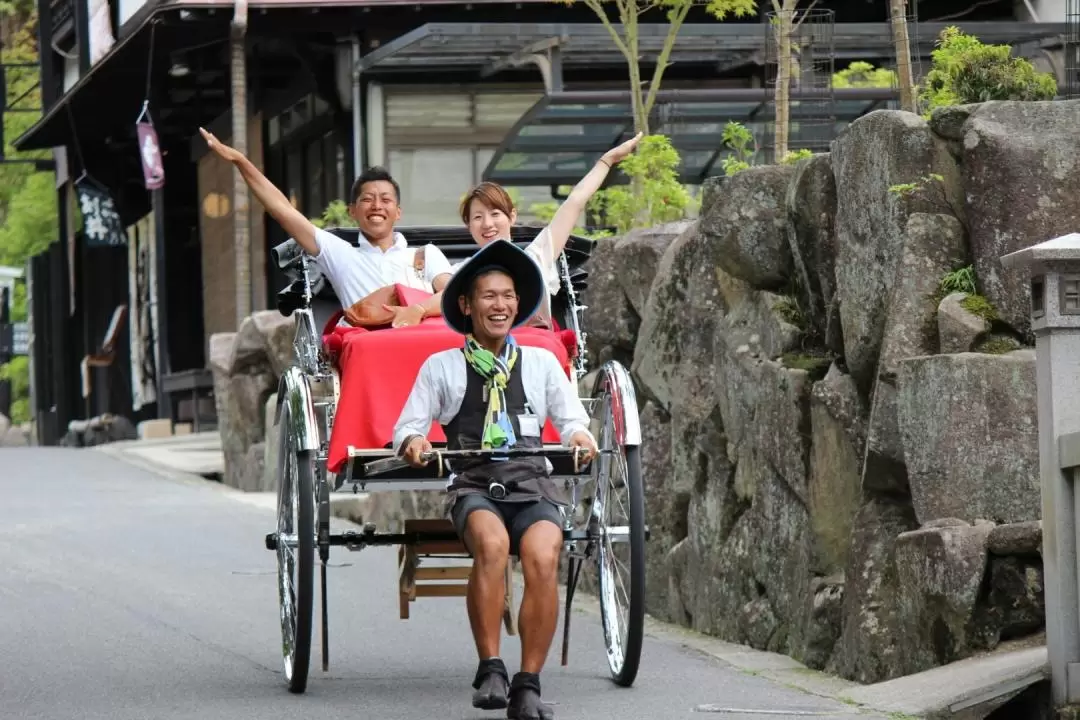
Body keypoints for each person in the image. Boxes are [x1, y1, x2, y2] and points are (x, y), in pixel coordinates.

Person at [392, 239, 598, 720]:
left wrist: (582, 437)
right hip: (474, 486)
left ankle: (528, 683)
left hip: (532, 483)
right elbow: (407, 427)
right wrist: (415, 444)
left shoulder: (543, 363)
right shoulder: (441, 367)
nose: (500, 305)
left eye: (507, 296)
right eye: (489, 296)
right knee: (490, 544)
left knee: (544, 555)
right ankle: (490, 668)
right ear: (466, 305)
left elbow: (571, 421)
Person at [384, 132, 644, 330]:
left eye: (495, 214)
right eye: (477, 217)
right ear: (469, 226)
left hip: (533, 352)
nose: (487, 224)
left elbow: (575, 202)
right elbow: (447, 298)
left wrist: (606, 161)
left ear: (512, 216)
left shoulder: (535, 257)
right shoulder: (460, 273)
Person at [198, 128, 453, 324]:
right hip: (368, 357)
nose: (377, 206)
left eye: (386, 200)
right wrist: (241, 161)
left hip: (423, 353)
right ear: (352, 211)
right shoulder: (341, 255)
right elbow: (283, 210)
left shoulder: (425, 255)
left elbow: (453, 296)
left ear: (398, 212)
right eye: (367, 199)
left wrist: (417, 310)